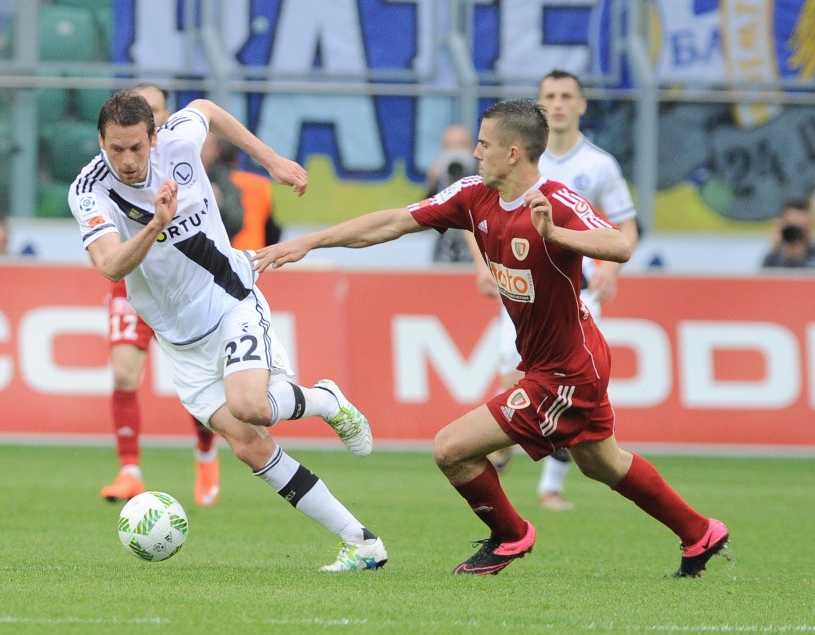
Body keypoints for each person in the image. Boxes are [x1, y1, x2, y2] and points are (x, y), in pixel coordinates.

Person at [252, 98, 728, 578]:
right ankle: (699, 533)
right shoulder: (474, 195)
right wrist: (309, 242)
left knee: (451, 449)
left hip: (568, 370)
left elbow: (620, 245)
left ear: (515, 152)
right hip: (555, 360)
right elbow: (393, 221)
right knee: (603, 463)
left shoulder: (556, 202)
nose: (476, 153)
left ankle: (511, 535)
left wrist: (557, 236)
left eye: (484, 144)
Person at [69, 89, 388, 572]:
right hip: (178, 338)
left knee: (251, 406)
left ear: (155, 138)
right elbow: (111, 266)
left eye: (136, 147)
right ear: (101, 141)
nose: (128, 160)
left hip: (231, 299)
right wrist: (157, 222)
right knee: (247, 443)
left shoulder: (178, 141)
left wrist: (272, 160)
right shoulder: (89, 190)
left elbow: (206, 109)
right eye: (116, 149)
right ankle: (361, 541)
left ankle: (324, 399)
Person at [474, 69, 641, 512]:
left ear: (582, 105)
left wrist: (611, 272)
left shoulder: (599, 164)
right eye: (549, 95)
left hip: (576, 293)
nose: (559, 103)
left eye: (567, 95)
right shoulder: (523, 159)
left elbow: (625, 225)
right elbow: (480, 210)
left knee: (566, 381)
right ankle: (515, 450)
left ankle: (548, 484)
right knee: (519, 376)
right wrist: (483, 265)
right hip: (520, 288)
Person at [99, 83, 224, 508]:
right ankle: (130, 470)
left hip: (187, 283)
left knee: (193, 382)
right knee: (123, 374)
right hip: (136, 281)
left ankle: (206, 450)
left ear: (162, 121)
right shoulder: (113, 167)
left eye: (153, 112)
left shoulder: (186, 155)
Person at [216, 138, 283, 251]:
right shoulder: (262, 184)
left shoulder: (215, 184)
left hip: (224, 253)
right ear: (237, 157)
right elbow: (274, 229)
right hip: (255, 253)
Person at [427, 124, 479, 263]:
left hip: (477, 257)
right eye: (449, 146)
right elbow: (423, 217)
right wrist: (434, 184)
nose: (455, 151)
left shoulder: (484, 178)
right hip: (444, 254)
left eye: (461, 145)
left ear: (473, 148)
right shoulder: (440, 178)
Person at [761, 198, 815, 268]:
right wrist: (776, 248)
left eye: (801, 227)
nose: (795, 234)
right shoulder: (773, 258)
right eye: (791, 227)